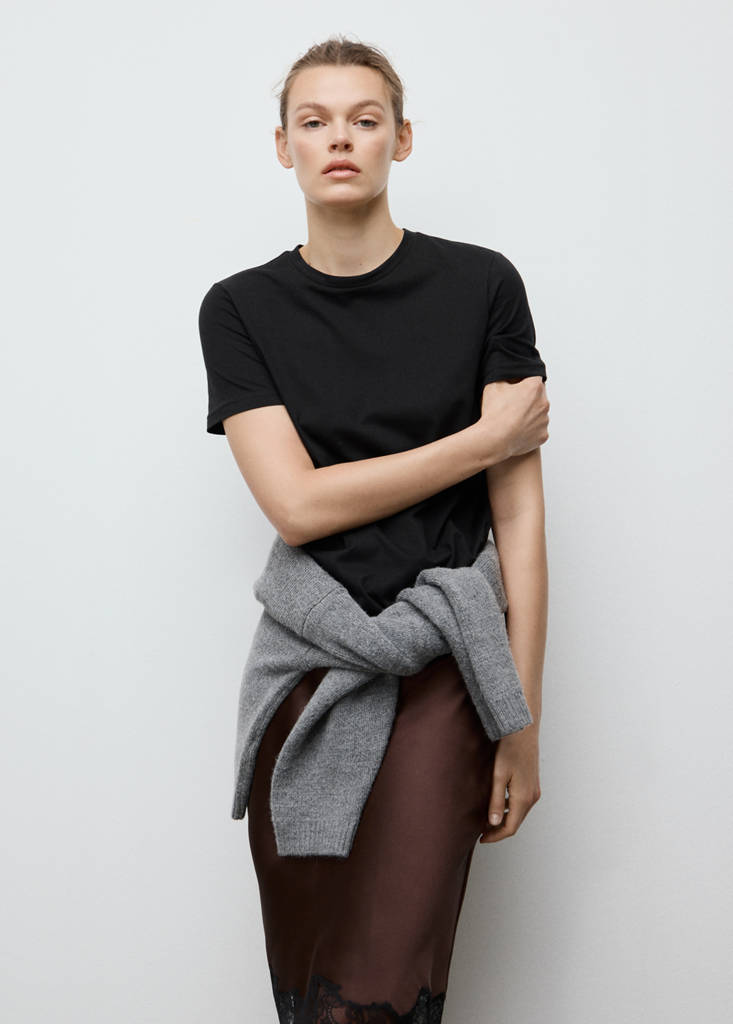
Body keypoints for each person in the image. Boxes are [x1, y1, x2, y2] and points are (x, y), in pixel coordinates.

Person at [199, 35, 550, 1024]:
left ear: (401, 138)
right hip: (304, 677)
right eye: (313, 121)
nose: (339, 139)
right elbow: (297, 506)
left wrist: (520, 726)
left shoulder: (482, 285)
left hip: (447, 666)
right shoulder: (239, 309)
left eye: (364, 118)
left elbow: (519, 523)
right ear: (284, 147)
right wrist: (479, 441)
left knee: (383, 991)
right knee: (311, 989)